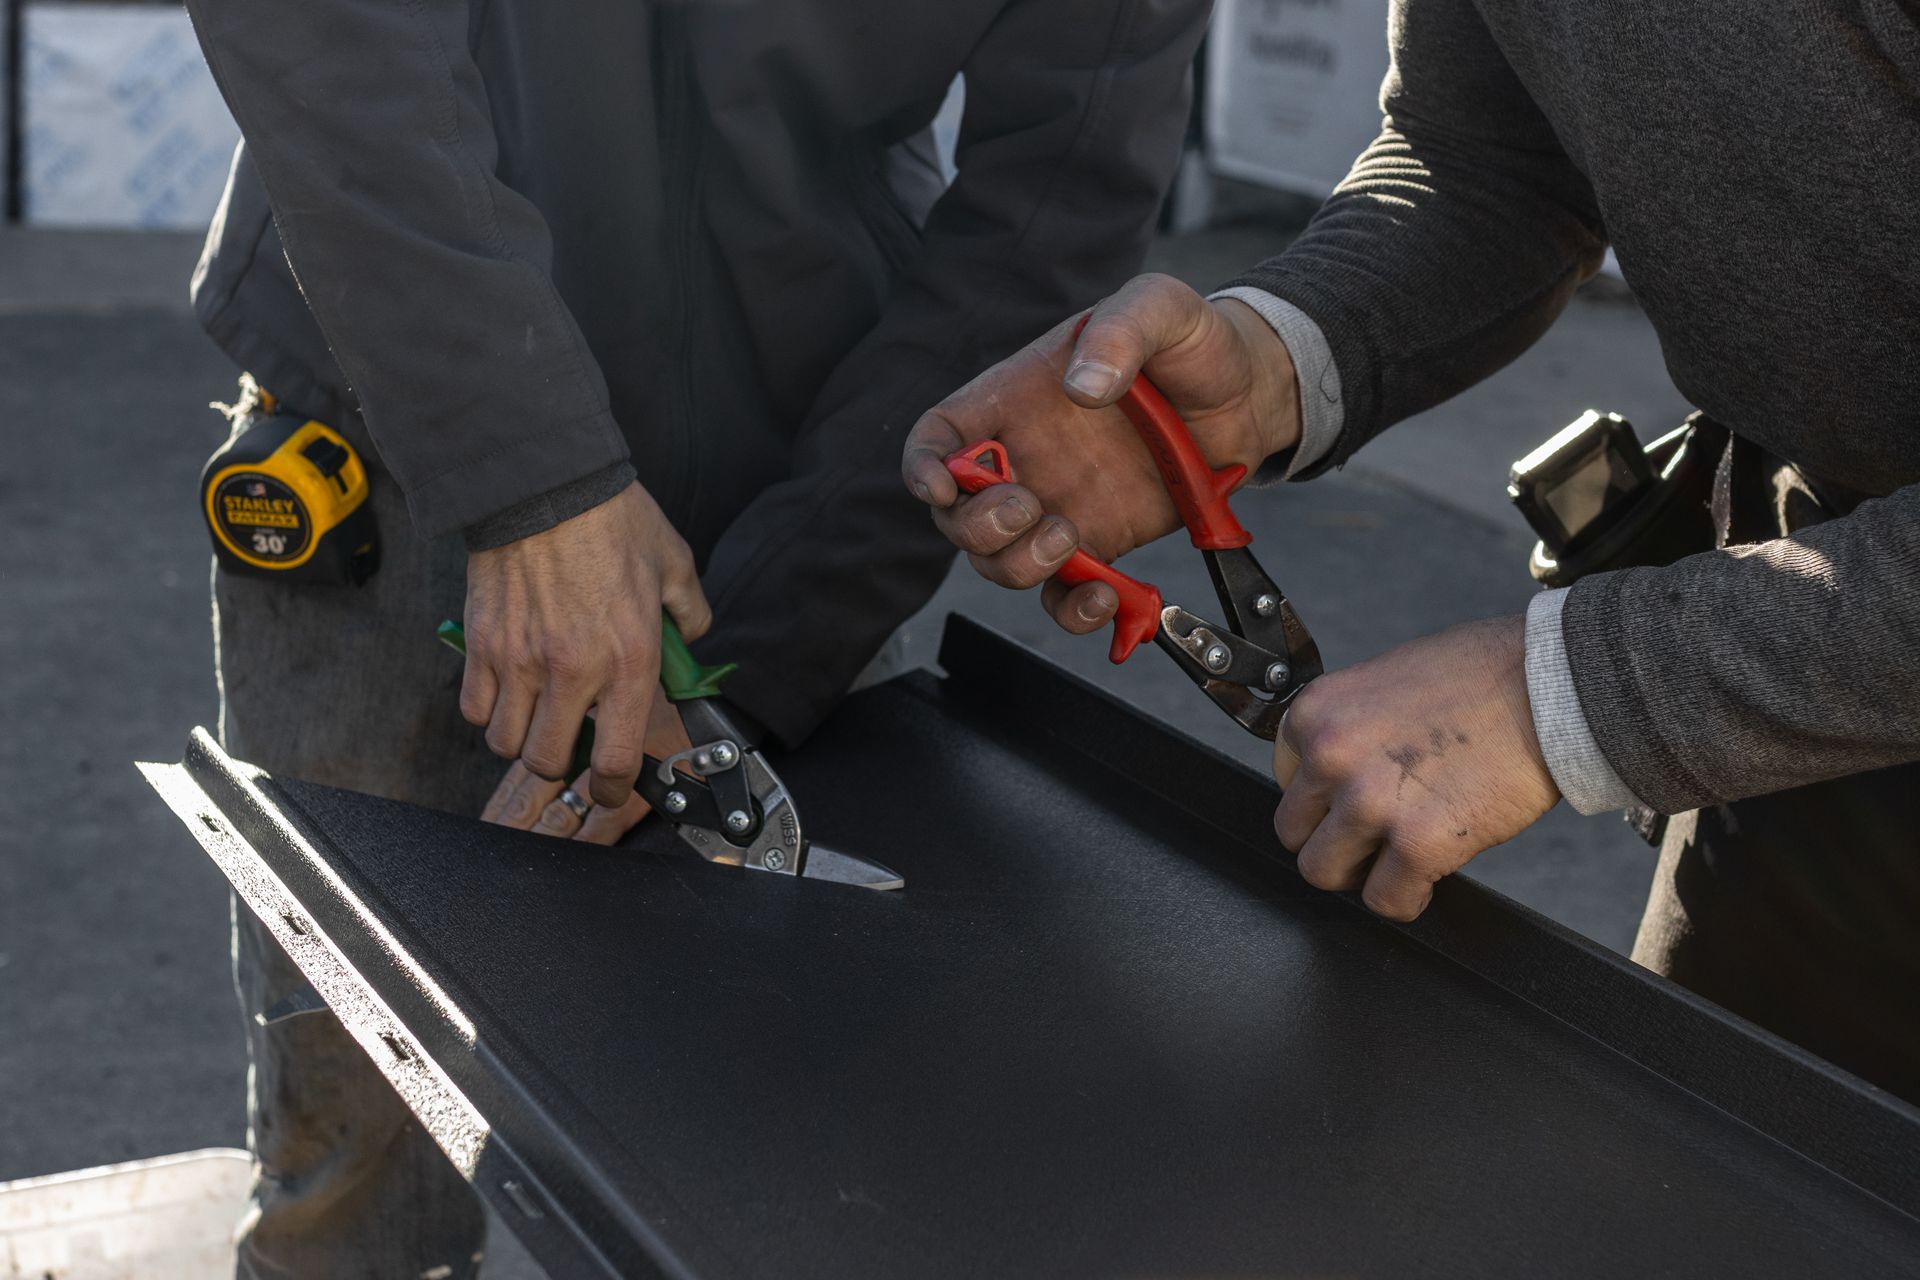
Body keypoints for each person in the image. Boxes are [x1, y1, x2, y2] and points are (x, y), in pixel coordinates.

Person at [185, 0, 1208, 1273]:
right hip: (393, 406)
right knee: (358, 1073)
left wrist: (777, 642)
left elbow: (1053, 200)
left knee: (799, 1131)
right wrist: (528, 477)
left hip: (822, 448)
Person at [904, 0, 1920, 1103]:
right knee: (1725, 1169)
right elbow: (1487, 157)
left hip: (1806, 633)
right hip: (1793, 658)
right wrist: (1278, 355)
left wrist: (1570, 690)